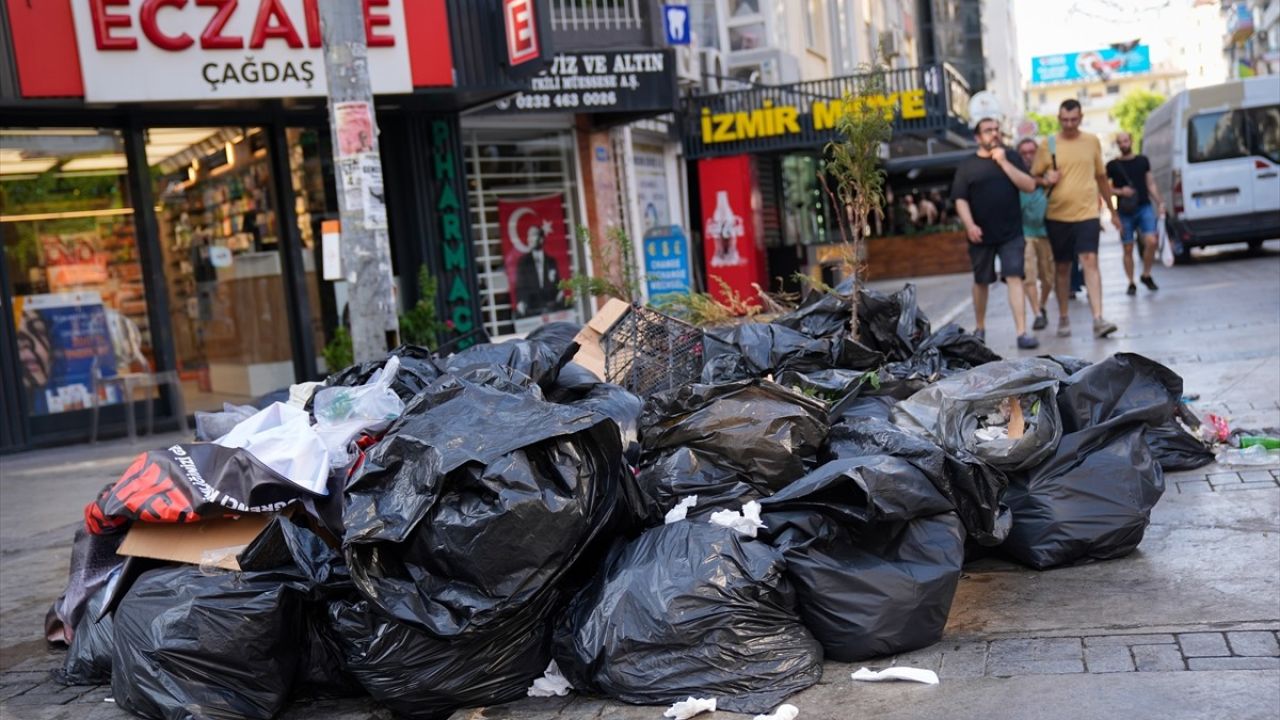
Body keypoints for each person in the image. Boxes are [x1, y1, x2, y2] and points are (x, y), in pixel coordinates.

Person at [1030, 99, 1119, 338]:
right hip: (1057, 215)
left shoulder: (1092, 141)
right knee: (1062, 267)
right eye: (1064, 120)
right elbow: (1033, 179)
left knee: (1090, 260)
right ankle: (1063, 316)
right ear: (1059, 119)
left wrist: (1112, 211)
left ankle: (1098, 318)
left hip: (1088, 213)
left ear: (1080, 118)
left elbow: (1101, 178)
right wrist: (1046, 178)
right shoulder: (1047, 145)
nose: (1069, 124)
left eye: (1073, 119)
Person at [951, 117, 1040, 349]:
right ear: (977, 137)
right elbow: (960, 199)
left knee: (1015, 277)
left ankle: (1022, 332)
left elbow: (1029, 186)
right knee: (981, 281)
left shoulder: (1010, 157)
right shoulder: (967, 165)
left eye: (996, 129)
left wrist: (1004, 164)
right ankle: (980, 328)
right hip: (980, 234)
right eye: (988, 130)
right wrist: (969, 225)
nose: (994, 133)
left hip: (1011, 232)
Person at [1106, 131, 1165, 294]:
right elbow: (1105, 188)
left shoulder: (1142, 161)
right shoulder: (1112, 165)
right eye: (1120, 142)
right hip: (1124, 210)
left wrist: (1159, 202)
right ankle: (1131, 281)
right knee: (1128, 247)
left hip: (1144, 206)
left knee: (1152, 241)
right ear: (1117, 144)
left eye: (1126, 140)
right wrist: (1120, 191)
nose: (1124, 144)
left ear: (1131, 141)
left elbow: (1150, 183)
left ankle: (1146, 274)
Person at [1017, 138, 1054, 331]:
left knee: (1049, 278)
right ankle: (1037, 313)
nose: (1028, 156)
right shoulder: (1015, 175)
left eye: (1032, 152)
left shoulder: (1049, 173)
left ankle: (1042, 305)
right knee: (1029, 275)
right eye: (1024, 153)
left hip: (1046, 233)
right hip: (1025, 233)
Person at [514, 226, 561, 317]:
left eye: (533, 235)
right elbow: (520, 286)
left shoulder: (551, 261)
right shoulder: (523, 262)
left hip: (550, 309)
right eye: (528, 236)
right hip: (532, 309)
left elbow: (557, 283)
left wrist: (560, 294)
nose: (529, 239)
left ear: (541, 239)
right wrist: (521, 302)